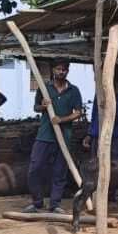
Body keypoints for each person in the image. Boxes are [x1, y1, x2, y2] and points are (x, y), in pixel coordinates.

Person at [25, 61, 84, 214]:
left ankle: (55, 204)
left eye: (64, 69)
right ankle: (37, 202)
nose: (61, 72)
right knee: (35, 168)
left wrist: (62, 120)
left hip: (64, 137)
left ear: (67, 71)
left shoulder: (73, 90)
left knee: (60, 171)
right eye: (58, 69)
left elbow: (78, 112)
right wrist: (43, 106)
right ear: (53, 70)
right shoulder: (44, 88)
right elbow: (36, 107)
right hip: (44, 135)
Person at [82, 73, 118, 159]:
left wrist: (109, 107)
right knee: (95, 162)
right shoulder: (100, 91)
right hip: (98, 134)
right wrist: (90, 134)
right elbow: (95, 114)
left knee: (113, 163)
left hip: (115, 135)